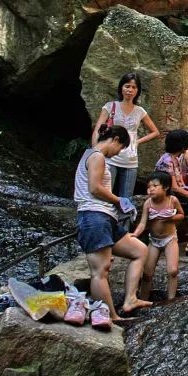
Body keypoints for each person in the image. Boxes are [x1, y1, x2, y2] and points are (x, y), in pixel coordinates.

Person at [74, 124, 152, 326]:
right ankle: (110, 316)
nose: (118, 153)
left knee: (140, 251)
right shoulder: (97, 156)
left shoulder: (92, 155)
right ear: (116, 140)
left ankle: (130, 299)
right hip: (93, 217)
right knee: (101, 270)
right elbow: (95, 188)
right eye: (120, 148)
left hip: (106, 217)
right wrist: (120, 201)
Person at [90, 73, 161, 199]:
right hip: (110, 156)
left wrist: (137, 142)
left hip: (130, 158)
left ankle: (124, 219)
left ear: (137, 91)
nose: (130, 90)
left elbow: (155, 132)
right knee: (105, 193)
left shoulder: (140, 111)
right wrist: (96, 150)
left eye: (134, 87)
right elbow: (97, 129)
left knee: (127, 197)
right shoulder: (110, 106)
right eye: (127, 86)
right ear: (121, 88)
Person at [132, 171, 183, 301]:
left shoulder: (172, 200)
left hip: (170, 238)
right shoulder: (148, 204)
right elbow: (143, 223)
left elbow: (181, 215)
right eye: (148, 187)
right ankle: (143, 299)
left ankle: (171, 299)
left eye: (155, 186)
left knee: (172, 270)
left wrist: (171, 218)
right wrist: (135, 235)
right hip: (154, 241)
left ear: (165, 187)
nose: (151, 189)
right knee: (147, 273)